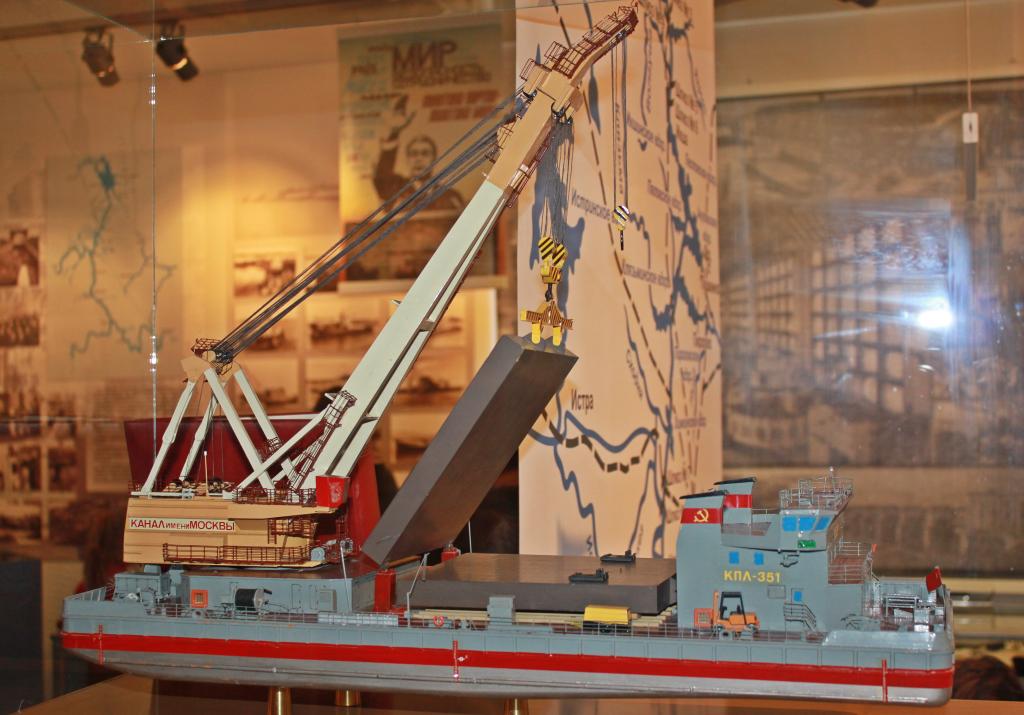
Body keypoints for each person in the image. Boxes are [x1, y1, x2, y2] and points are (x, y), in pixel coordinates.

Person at [373, 95, 464, 211]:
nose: (419, 158)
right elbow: (382, 175)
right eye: (414, 154)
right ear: (407, 159)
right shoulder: (394, 190)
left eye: (425, 153)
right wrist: (394, 133)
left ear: (434, 159)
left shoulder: (450, 196)